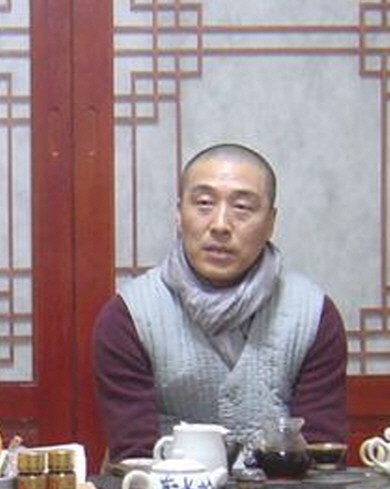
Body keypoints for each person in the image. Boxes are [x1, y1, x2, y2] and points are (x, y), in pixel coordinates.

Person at [93, 143, 347, 462]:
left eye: (242, 207)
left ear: (271, 222)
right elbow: (135, 457)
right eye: (204, 203)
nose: (220, 225)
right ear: (179, 213)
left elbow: (322, 457)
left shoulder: (313, 315)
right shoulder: (128, 317)